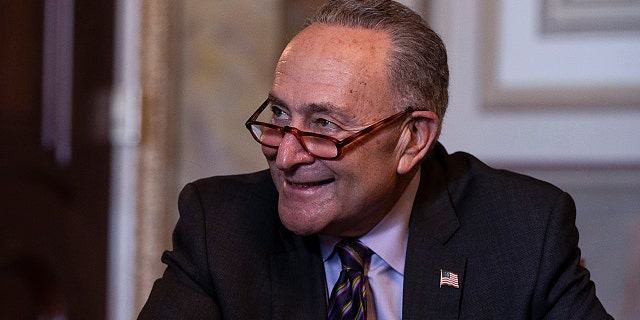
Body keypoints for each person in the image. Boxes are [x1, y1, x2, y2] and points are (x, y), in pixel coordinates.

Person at [139, 0, 612, 319]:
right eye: (280, 114)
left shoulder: (523, 231)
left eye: (325, 125)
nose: (284, 155)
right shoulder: (219, 224)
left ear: (412, 139)